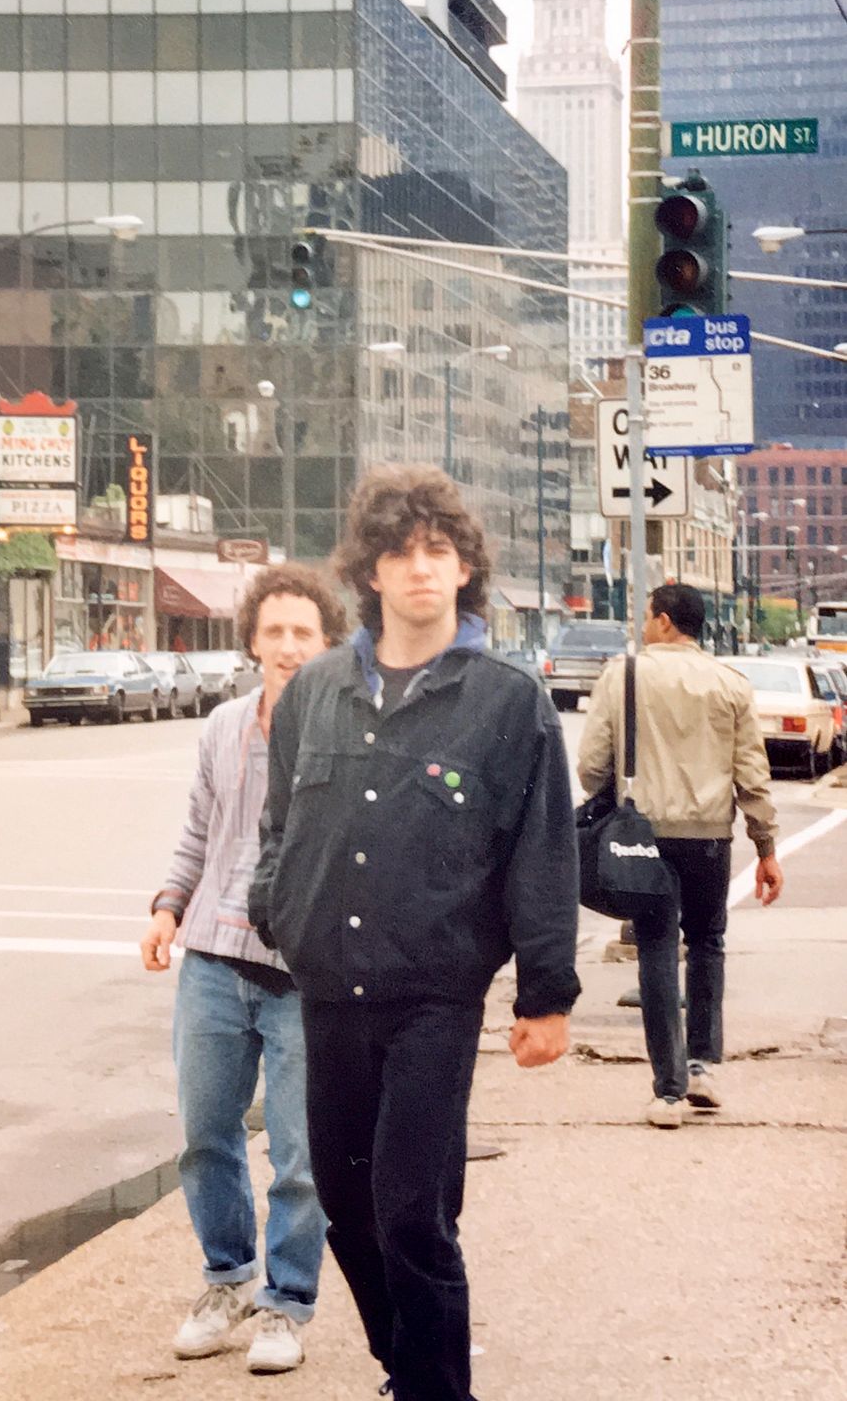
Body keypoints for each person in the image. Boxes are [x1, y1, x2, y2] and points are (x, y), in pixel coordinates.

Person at [249, 466, 580, 1401]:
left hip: (434, 997)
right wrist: (276, 906)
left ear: (465, 567)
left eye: (437, 550)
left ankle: (436, 1389)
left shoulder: (506, 702)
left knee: (412, 1212)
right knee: (346, 1208)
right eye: (399, 553)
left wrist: (546, 994)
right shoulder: (315, 692)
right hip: (328, 991)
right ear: (371, 572)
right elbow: (278, 825)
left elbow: (541, 854)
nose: (420, 568)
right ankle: (410, 1366)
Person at [141, 563, 348, 1374]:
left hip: (304, 975)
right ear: (252, 641)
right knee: (205, 1137)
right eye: (274, 632)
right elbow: (199, 828)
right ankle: (225, 1278)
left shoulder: (347, 732)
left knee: (300, 1155)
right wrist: (168, 906)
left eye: (303, 633)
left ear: (327, 643)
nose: (288, 646)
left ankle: (285, 1303)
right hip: (212, 961)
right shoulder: (223, 725)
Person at [578, 582, 783, 1129]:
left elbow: (592, 765)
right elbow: (752, 775)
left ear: (665, 621)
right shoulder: (731, 683)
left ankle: (667, 1093)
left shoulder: (623, 675)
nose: (644, 625)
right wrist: (765, 847)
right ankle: (701, 1067)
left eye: (648, 615)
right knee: (708, 942)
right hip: (711, 837)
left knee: (656, 947)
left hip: (643, 836)